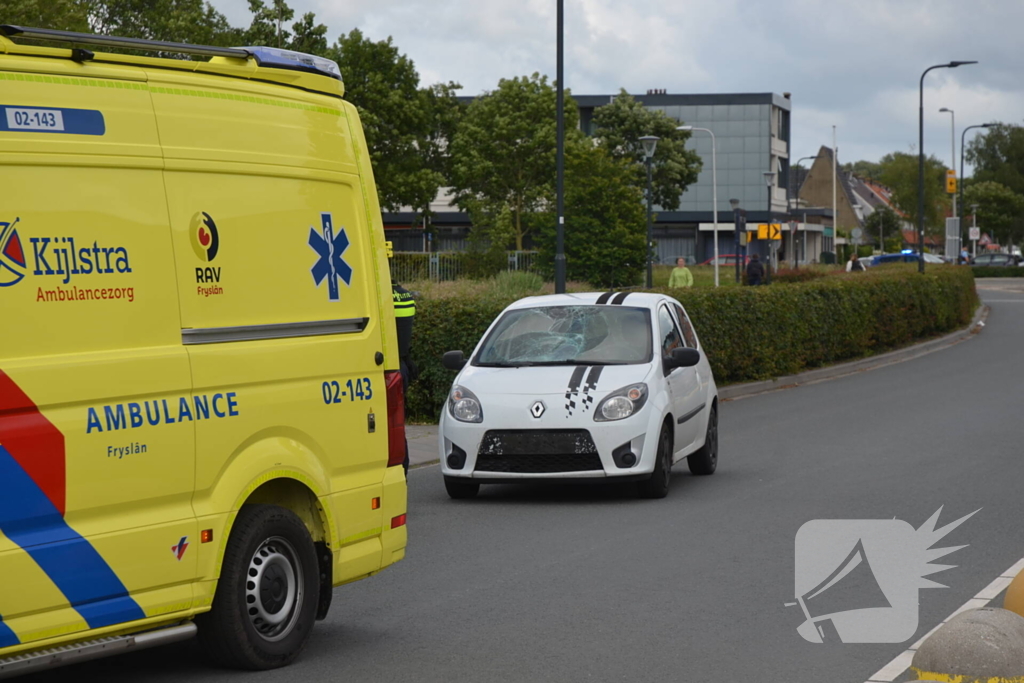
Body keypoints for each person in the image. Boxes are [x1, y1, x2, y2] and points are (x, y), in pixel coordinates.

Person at [392, 281, 417, 477]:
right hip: (402, 366)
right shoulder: (405, 295)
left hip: (388, 367)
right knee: (397, 426)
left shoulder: (383, 297)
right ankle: (403, 475)